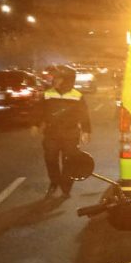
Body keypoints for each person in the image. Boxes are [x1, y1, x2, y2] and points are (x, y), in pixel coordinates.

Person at [36, 65, 91, 197]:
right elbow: (40, 110)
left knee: (69, 161)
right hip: (51, 133)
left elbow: (84, 114)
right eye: (54, 77)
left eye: (58, 78)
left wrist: (86, 131)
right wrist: (35, 124)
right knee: (50, 159)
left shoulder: (77, 96)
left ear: (67, 80)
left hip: (70, 134)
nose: (54, 80)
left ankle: (66, 187)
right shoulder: (48, 93)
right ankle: (54, 182)